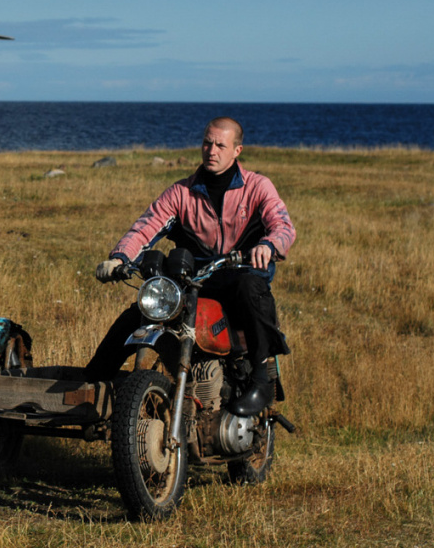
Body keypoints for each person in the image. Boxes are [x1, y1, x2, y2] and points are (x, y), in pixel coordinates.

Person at [87, 117, 296, 416]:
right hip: (197, 281)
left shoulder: (257, 187)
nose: (211, 150)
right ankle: (92, 381)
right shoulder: (181, 193)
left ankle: (261, 379)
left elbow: (283, 225)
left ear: (237, 150)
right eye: (207, 143)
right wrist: (120, 258)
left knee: (250, 288)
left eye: (220, 145)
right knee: (140, 312)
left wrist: (270, 245)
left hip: (241, 275)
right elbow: (147, 227)